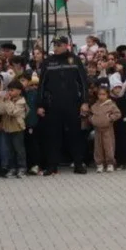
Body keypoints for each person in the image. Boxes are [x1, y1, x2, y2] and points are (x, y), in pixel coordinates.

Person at [38, 36, 90, 175]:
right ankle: (52, 166)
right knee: (53, 136)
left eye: (58, 45)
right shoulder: (48, 62)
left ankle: (78, 164)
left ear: (66, 45)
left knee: (75, 135)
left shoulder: (75, 60)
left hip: (73, 104)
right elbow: (42, 85)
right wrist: (40, 105)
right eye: (54, 45)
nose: (55, 47)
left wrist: (85, 102)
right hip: (53, 105)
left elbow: (84, 82)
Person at [89, 86, 122, 173]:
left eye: (104, 94)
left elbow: (118, 114)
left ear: (107, 95)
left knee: (109, 146)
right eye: (100, 94)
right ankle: (99, 164)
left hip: (108, 129)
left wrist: (110, 118)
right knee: (98, 147)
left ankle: (110, 163)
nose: (101, 96)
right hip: (97, 130)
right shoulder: (95, 106)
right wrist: (92, 119)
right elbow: (90, 115)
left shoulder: (111, 105)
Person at [0, 80, 28, 178]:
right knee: (10, 149)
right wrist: (2, 100)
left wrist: (7, 102)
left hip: (17, 128)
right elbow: (0, 110)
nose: (9, 92)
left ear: (19, 91)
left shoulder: (21, 101)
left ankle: (22, 168)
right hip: (7, 127)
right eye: (9, 90)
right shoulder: (7, 100)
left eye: (12, 90)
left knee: (19, 149)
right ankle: (12, 168)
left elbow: (13, 112)